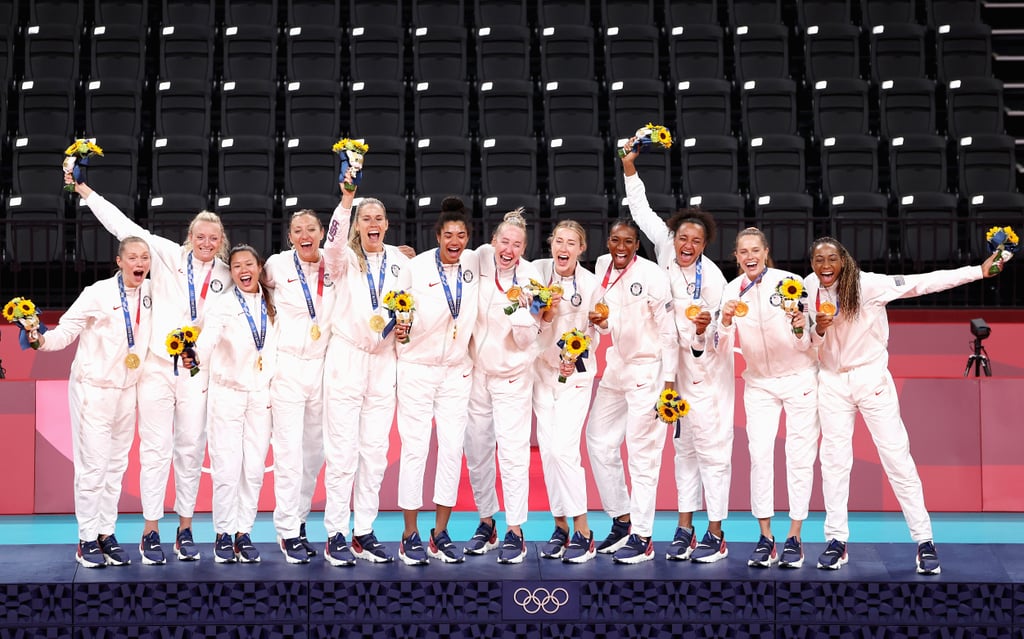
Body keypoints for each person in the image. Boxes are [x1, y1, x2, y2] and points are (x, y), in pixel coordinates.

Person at [804, 237, 1004, 574]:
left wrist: (980, 272)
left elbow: (923, 283)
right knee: (834, 463)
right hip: (832, 383)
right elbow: (809, 342)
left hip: (871, 380)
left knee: (897, 458)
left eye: (832, 258)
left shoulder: (868, 285)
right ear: (811, 263)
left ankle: (924, 540)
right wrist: (818, 331)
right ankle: (836, 541)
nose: (825, 265)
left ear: (844, 259)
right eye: (818, 259)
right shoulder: (808, 288)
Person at [68, 175, 230, 565]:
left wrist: (394, 255)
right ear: (189, 236)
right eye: (200, 236)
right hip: (157, 370)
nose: (206, 244)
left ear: (221, 240)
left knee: (190, 451)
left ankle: (185, 530)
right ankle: (150, 531)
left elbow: (263, 286)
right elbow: (122, 226)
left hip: (196, 373)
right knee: (155, 452)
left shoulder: (227, 273)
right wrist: (86, 191)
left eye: (214, 238)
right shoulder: (165, 254)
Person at [620, 141, 734, 564]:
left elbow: (723, 335)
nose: (687, 244)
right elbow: (641, 210)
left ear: (705, 244)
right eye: (683, 237)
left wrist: (704, 333)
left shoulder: (715, 279)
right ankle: (685, 528)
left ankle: (716, 533)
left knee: (712, 451)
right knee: (682, 450)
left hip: (706, 374)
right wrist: (630, 169)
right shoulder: (665, 248)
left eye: (696, 240)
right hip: (671, 370)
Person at [33, 237, 154, 568]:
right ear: (120, 261)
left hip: (127, 391)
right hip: (93, 390)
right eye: (133, 257)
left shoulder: (152, 295)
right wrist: (39, 339)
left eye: (144, 257)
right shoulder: (97, 293)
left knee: (116, 467)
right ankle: (86, 538)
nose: (139, 263)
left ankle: (105, 532)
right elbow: (66, 331)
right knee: (93, 466)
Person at [319, 178, 410, 565]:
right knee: (342, 454)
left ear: (386, 225)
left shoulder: (402, 262)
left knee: (375, 452)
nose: (372, 223)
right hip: (347, 358)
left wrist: (407, 326)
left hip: (384, 361)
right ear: (358, 225)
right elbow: (333, 242)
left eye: (378, 218)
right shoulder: (343, 260)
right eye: (365, 218)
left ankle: (363, 531)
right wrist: (347, 200)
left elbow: (411, 307)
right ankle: (335, 533)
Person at [716, 228, 818, 568]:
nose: (749, 256)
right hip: (758, 382)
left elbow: (807, 343)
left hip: (799, 378)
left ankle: (795, 536)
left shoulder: (790, 281)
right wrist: (726, 320)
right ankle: (766, 537)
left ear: (765, 251)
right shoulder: (731, 290)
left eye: (755, 250)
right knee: (759, 456)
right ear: (737, 256)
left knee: (798, 456)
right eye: (743, 251)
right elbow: (721, 344)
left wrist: (800, 325)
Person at [393, 197, 480, 565]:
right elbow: (392, 301)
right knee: (415, 450)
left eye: (461, 235)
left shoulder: (476, 264)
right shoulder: (414, 266)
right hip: (416, 368)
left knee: (450, 449)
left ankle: (440, 534)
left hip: (457, 372)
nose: (455, 241)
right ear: (438, 236)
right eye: (449, 235)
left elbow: (511, 254)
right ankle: (408, 535)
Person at [585, 219, 678, 564]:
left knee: (643, 455)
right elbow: (612, 319)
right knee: (598, 439)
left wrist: (669, 381)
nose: (620, 247)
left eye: (627, 242)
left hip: (647, 370)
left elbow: (668, 332)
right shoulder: (601, 266)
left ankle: (643, 536)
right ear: (607, 241)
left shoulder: (653, 275)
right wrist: (602, 323)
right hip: (616, 366)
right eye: (614, 240)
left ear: (637, 245)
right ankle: (622, 519)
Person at [462, 209, 542, 564]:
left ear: (524, 248)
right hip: (477, 373)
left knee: (511, 454)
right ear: (493, 242)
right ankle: (486, 522)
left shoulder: (532, 277)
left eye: (517, 244)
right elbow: (445, 254)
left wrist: (520, 311)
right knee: (477, 451)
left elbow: (527, 340)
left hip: (512, 376)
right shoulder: (478, 257)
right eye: (504, 241)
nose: (509, 249)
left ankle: (515, 530)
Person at [190, 245, 278, 564]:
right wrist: (194, 355)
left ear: (259, 267)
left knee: (253, 469)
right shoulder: (223, 304)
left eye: (249, 264)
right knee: (227, 468)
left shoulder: (273, 303)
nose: (243, 270)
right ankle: (223, 534)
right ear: (232, 272)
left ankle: (244, 532)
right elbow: (208, 338)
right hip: (227, 393)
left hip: (260, 395)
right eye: (237, 265)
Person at [263, 208, 336, 564]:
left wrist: (401, 251)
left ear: (321, 232)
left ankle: (301, 520)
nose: (304, 234)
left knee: (314, 455)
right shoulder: (276, 265)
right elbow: (243, 279)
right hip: (288, 367)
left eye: (310, 228)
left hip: (323, 368)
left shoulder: (337, 263)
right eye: (297, 230)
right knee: (289, 454)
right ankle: (287, 530)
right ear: (289, 236)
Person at [532, 220, 601, 564]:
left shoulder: (590, 284)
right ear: (551, 244)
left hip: (575, 376)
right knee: (547, 453)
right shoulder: (538, 273)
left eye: (571, 243)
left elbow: (599, 328)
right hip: (542, 374)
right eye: (559, 241)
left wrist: (578, 353)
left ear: (581, 249)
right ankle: (560, 528)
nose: (563, 248)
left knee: (563, 451)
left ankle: (584, 532)